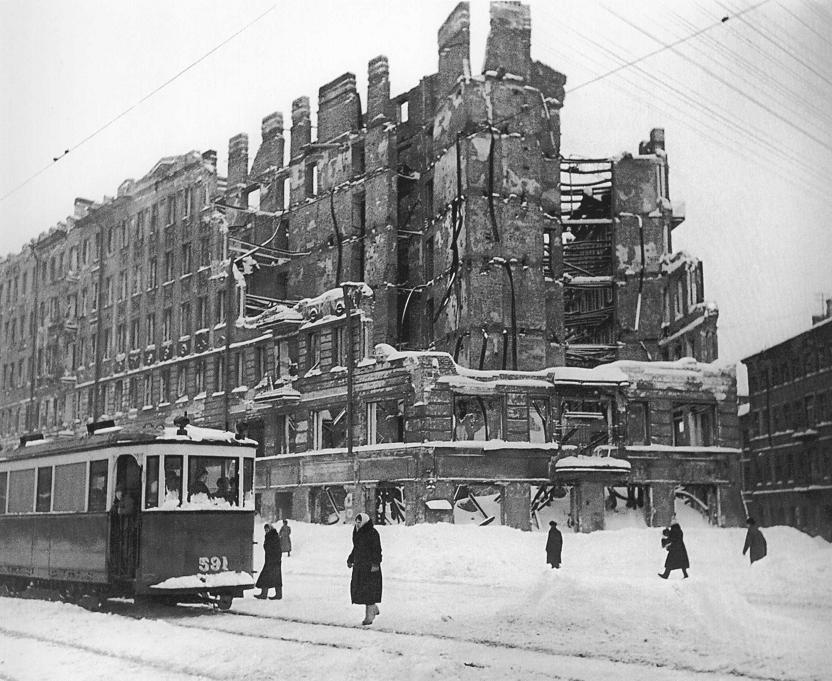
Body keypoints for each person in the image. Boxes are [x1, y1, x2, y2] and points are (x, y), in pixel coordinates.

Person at [347, 513, 382, 625]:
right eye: (356, 521)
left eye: (359, 521)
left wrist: (375, 564)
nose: (357, 524)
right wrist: (350, 559)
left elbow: (377, 549)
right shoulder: (357, 532)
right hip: (360, 567)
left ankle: (369, 617)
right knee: (361, 592)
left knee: (369, 592)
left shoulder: (372, 533)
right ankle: (374, 608)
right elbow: (356, 548)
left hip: (370, 568)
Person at [254, 523, 282, 600]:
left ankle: (265, 594)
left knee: (268, 577)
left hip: (273, 560)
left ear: (270, 529)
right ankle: (275, 594)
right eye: (265, 530)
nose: (266, 531)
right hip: (272, 560)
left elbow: (273, 548)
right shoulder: (272, 536)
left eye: (267, 529)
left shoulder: (272, 536)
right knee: (274, 577)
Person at [658, 514, 690, 579]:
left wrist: (665, 540)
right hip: (680, 548)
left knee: (670, 562)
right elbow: (673, 536)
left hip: (675, 549)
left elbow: (671, 538)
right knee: (682, 562)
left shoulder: (674, 530)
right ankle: (685, 574)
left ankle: (666, 575)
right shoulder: (678, 529)